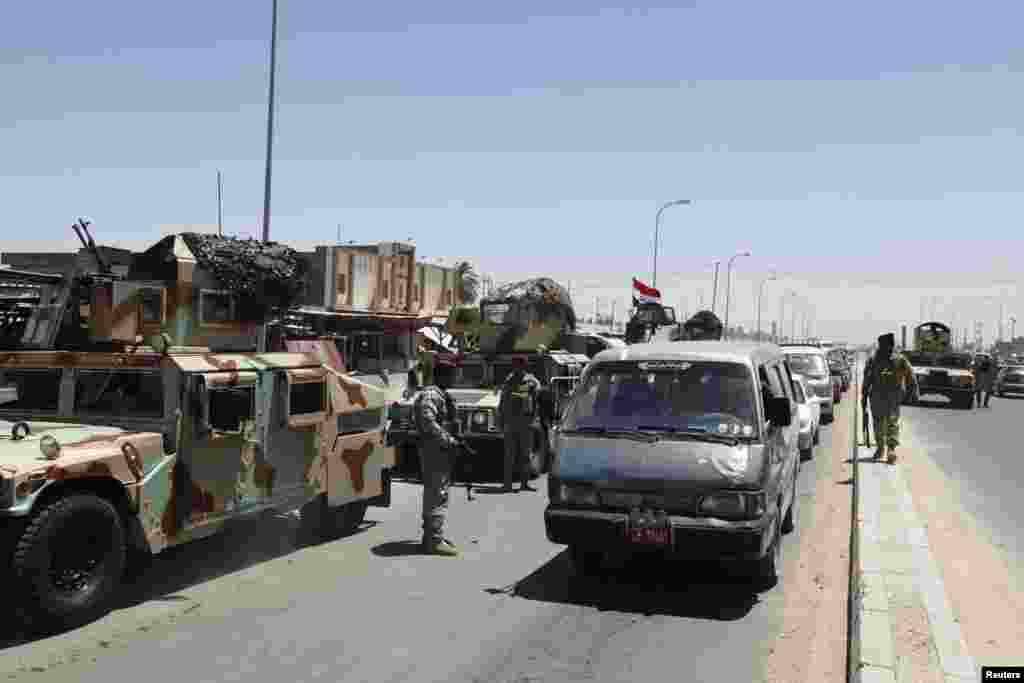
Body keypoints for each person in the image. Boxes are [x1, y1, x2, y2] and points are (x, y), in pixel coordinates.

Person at [413, 354, 461, 556]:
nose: (454, 378)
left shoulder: (441, 394)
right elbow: (427, 421)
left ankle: (432, 536)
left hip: (439, 450)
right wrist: (447, 439)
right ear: (443, 374)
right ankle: (434, 540)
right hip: (434, 450)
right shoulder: (432, 395)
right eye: (451, 374)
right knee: (437, 494)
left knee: (437, 492)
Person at [862, 333, 918, 464]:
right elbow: (867, 379)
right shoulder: (873, 360)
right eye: (885, 346)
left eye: (888, 346)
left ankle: (891, 449)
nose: (887, 348)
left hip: (893, 396)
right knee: (878, 423)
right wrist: (863, 396)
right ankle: (881, 448)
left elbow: (911, 376)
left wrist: (913, 392)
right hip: (877, 396)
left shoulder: (900, 360)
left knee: (892, 422)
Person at [497, 355, 542, 493]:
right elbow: (503, 402)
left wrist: (535, 419)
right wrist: (501, 420)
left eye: (519, 365)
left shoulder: (531, 381)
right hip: (510, 422)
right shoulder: (508, 381)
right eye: (515, 365)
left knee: (525, 455)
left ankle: (524, 483)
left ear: (524, 366)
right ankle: (507, 484)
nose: (517, 368)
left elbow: (536, 398)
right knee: (509, 455)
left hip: (525, 422)